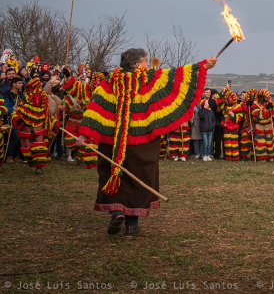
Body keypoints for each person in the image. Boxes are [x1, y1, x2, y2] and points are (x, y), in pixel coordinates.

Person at [76, 48, 215, 236]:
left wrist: (84, 134)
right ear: (137, 65)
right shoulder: (149, 79)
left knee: (112, 173)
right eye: (146, 61)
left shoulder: (107, 83)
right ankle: (132, 223)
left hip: (111, 140)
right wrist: (203, 65)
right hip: (142, 140)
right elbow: (175, 75)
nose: (149, 65)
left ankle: (117, 211)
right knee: (141, 175)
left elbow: (95, 108)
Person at [11, 77, 52, 174]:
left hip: (39, 130)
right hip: (26, 130)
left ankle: (39, 166)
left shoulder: (44, 109)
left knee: (39, 148)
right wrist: (18, 119)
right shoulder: (24, 107)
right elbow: (16, 115)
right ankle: (30, 159)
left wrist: (55, 124)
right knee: (27, 149)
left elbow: (49, 118)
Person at [252, 89, 274, 162]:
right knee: (260, 142)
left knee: (270, 141)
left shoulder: (272, 103)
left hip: (269, 125)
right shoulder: (255, 105)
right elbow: (256, 115)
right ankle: (262, 157)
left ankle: (271, 157)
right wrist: (265, 109)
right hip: (260, 125)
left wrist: (273, 109)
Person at [3, 76, 25, 163]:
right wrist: (12, 109)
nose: (21, 85)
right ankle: (9, 156)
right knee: (15, 136)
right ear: (14, 84)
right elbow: (6, 107)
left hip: (21, 118)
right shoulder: (7, 94)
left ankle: (17, 155)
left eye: (21, 83)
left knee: (21, 136)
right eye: (19, 83)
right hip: (12, 119)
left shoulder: (21, 95)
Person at [196, 88, 216, 161]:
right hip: (204, 128)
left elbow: (214, 118)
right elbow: (201, 116)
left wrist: (213, 125)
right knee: (205, 143)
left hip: (210, 128)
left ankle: (208, 155)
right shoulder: (201, 110)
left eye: (209, 92)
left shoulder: (211, 110)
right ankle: (204, 155)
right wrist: (204, 109)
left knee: (209, 143)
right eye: (206, 92)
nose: (208, 93)